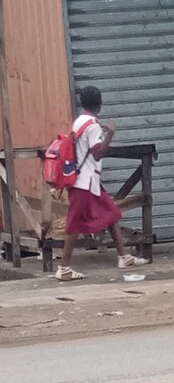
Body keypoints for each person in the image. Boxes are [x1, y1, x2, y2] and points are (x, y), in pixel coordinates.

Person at [56, 85, 148, 281]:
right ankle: (64, 268)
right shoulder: (93, 126)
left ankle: (124, 257)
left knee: (110, 214)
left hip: (87, 181)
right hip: (85, 183)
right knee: (74, 224)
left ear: (82, 103)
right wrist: (110, 134)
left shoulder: (79, 121)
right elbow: (97, 152)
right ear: (100, 104)